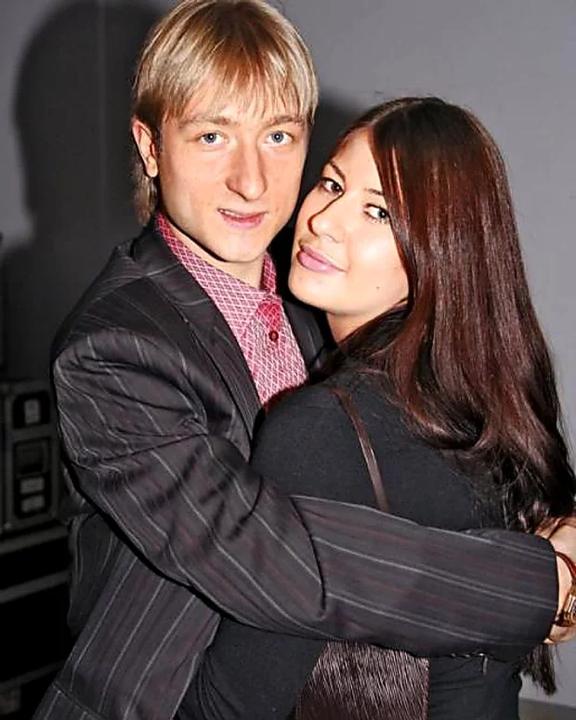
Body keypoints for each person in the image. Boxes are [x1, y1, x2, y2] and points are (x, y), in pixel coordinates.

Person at [32, 3, 575, 720]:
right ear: (151, 146)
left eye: (279, 136)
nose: (251, 181)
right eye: (212, 136)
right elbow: (269, 556)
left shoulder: (317, 303)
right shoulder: (114, 348)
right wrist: (537, 585)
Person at [183, 97, 576, 720]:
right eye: (332, 184)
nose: (324, 220)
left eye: (378, 211)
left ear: (440, 250)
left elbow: (228, 706)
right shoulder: (478, 397)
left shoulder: (325, 428)